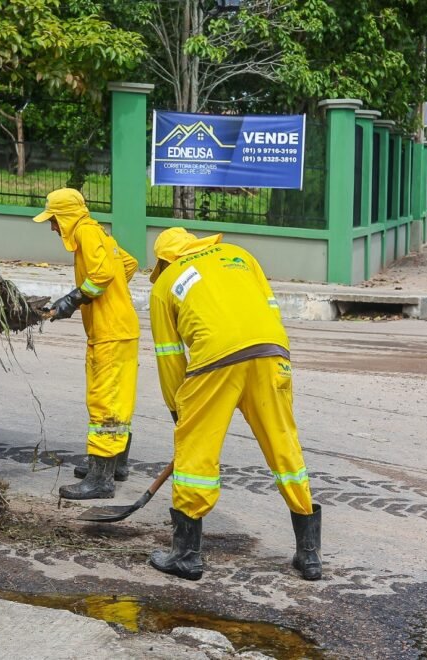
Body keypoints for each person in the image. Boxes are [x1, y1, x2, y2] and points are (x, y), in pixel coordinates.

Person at [146, 227, 321, 581]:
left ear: (164, 261)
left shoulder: (164, 285)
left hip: (214, 362)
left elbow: (169, 356)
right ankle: (310, 555)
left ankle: (186, 555)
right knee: (283, 447)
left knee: (196, 455)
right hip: (271, 353)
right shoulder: (239, 256)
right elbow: (270, 308)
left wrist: (179, 411)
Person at [33, 188, 140, 499]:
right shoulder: (98, 232)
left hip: (110, 332)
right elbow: (128, 264)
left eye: (53, 220)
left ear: (65, 217)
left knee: (104, 401)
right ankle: (115, 465)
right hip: (120, 329)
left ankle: (100, 480)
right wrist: (113, 296)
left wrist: (72, 299)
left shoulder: (84, 233)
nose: (53, 228)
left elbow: (103, 273)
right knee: (118, 398)